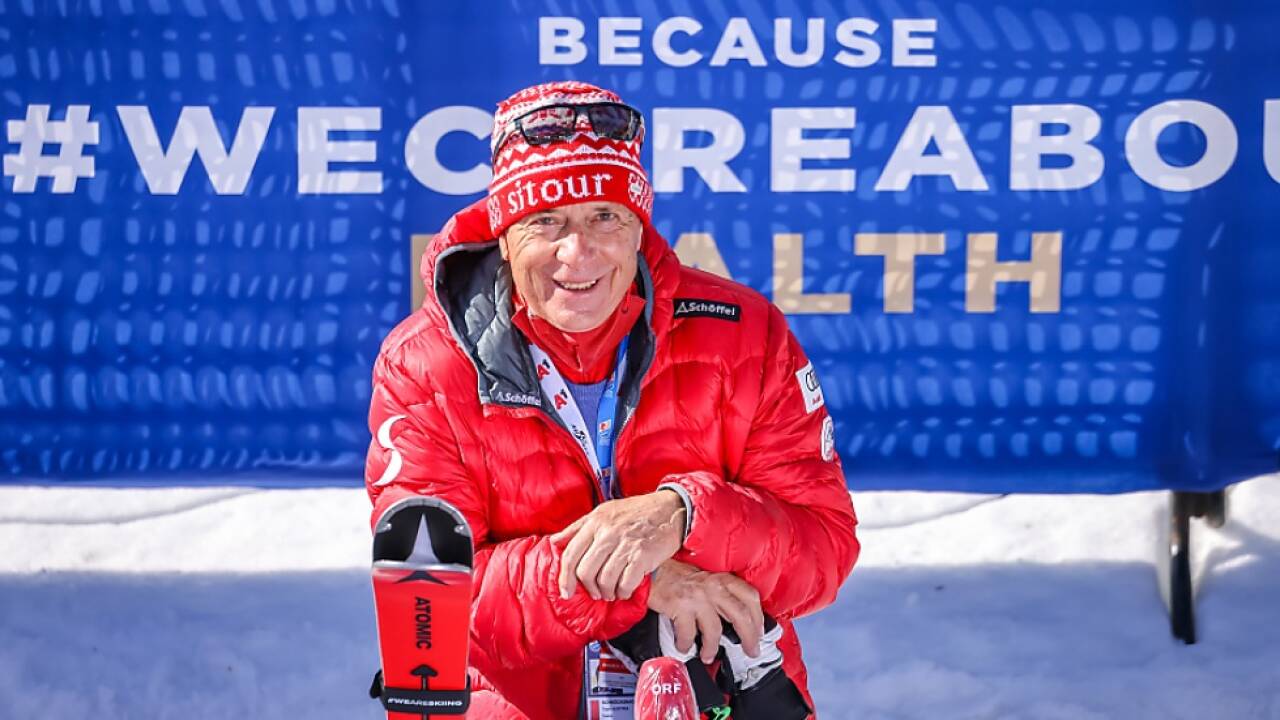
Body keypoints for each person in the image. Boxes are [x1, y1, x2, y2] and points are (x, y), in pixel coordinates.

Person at [365, 80, 859, 719]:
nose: (579, 253)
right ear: (504, 232)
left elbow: (822, 548)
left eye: (606, 216)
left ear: (637, 225)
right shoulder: (425, 362)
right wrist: (641, 582)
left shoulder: (744, 334)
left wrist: (682, 515)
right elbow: (429, 603)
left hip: (718, 691)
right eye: (546, 221)